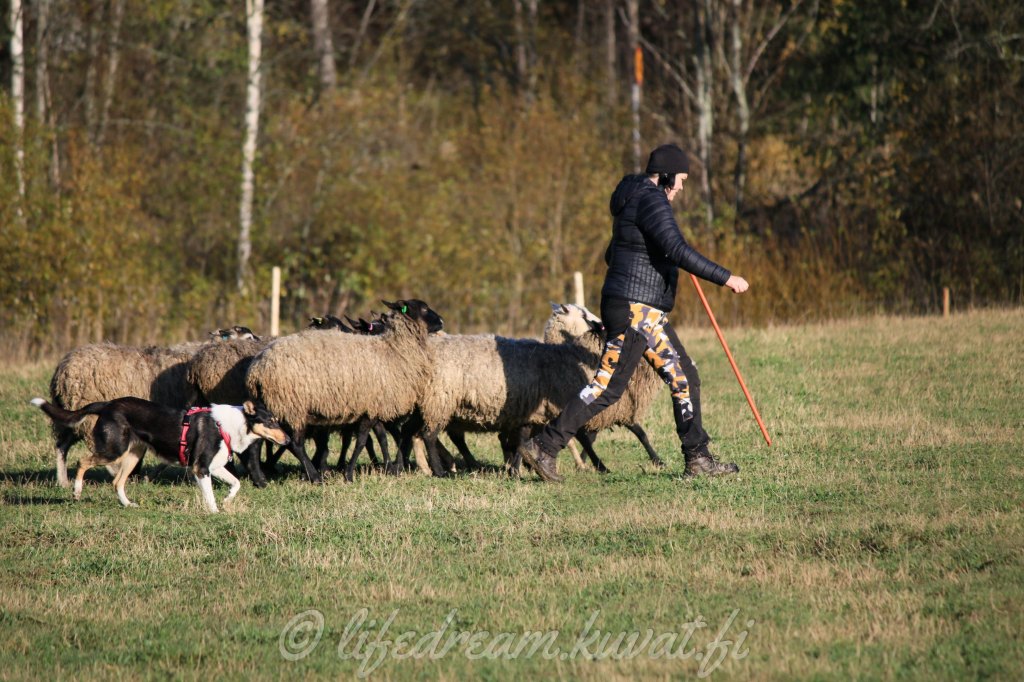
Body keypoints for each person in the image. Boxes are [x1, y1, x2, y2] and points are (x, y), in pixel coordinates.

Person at [518, 143, 749, 482]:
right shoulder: (651, 199)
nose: (682, 187)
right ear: (667, 175)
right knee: (607, 389)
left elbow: (615, 255)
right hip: (634, 311)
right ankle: (544, 447)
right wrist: (726, 277)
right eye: (681, 179)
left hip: (644, 312)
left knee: (685, 376)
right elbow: (676, 249)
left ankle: (698, 458)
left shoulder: (634, 200)